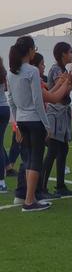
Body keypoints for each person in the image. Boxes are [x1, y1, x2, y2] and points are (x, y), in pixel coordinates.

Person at [7, 38, 57, 211]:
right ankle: (29, 200)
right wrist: (47, 124)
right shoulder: (32, 71)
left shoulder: (11, 72)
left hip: (21, 119)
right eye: (33, 48)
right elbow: (37, 100)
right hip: (34, 119)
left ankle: (30, 197)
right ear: (29, 50)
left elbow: (11, 100)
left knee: (28, 159)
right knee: (35, 159)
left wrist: (16, 123)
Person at [39, 42, 72, 197]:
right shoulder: (56, 70)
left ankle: (60, 185)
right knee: (53, 150)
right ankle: (42, 187)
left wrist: (71, 83)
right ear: (63, 54)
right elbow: (60, 93)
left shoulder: (63, 70)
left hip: (61, 113)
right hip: (55, 113)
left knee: (63, 149)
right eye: (70, 52)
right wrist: (71, 83)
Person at [0, 59, 9, 193]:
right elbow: (6, 88)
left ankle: (1, 182)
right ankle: (2, 180)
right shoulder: (2, 71)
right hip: (4, 108)